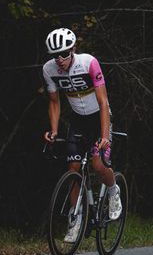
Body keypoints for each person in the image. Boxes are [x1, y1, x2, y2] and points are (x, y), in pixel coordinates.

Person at [41, 27, 121, 242]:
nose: (60, 59)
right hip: (78, 122)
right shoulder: (49, 70)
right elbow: (54, 102)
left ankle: (113, 191)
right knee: (73, 169)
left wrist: (104, 135)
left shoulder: (88, 63)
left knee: (97, 165)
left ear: (73, 50)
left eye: (64, 54)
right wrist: (54, 130)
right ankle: (75, 219)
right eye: (55, 55)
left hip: (99, 118)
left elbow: (103, 102)